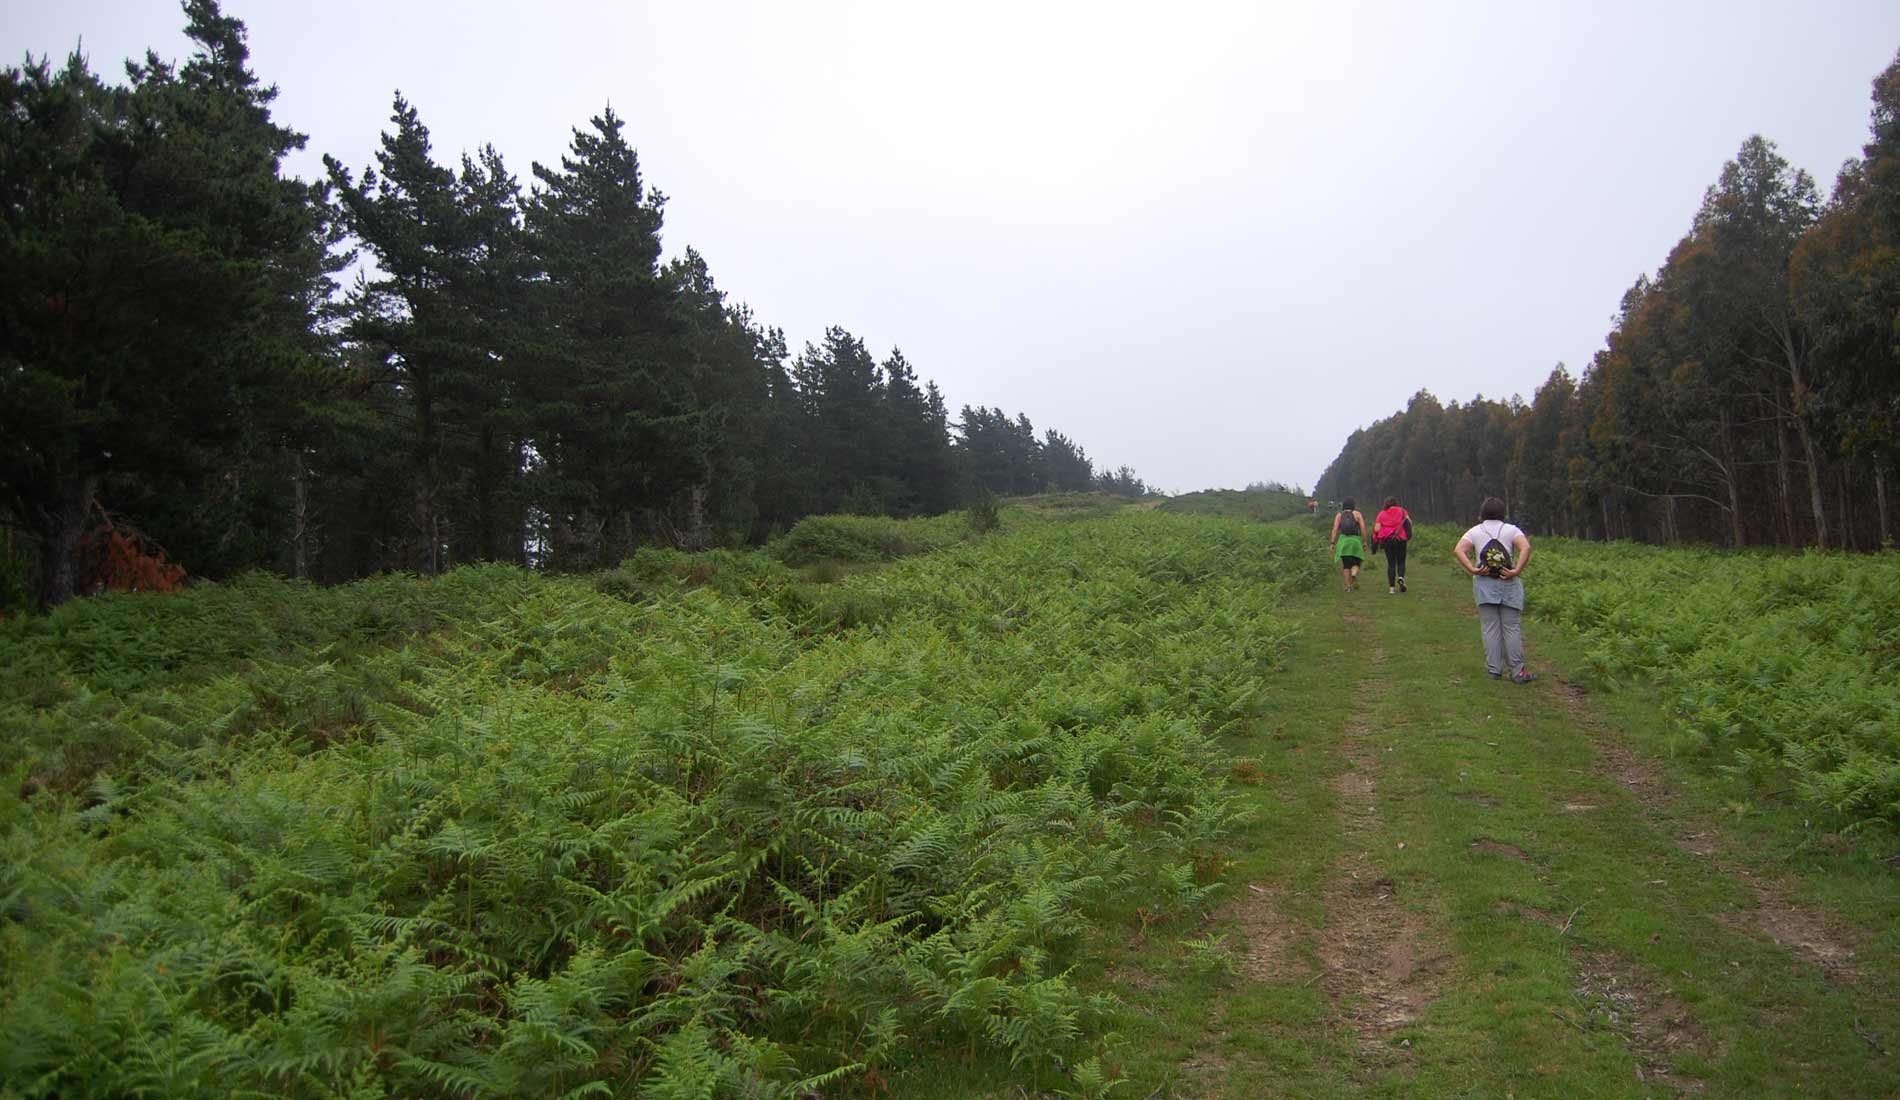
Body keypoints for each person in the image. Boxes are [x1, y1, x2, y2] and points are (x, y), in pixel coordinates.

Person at [1453, 497, 1535, 683]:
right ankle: (1517, 672)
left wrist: (1472, 569)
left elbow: (1459, 550)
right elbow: (1526, 547)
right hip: (1508, 582)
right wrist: (1516, 570)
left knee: (1490, 628)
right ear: (1502, 513)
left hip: (1484, 584)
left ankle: (1494, 670)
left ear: (1482, 513)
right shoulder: (1511, 529)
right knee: (1511, 627)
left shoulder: (1474, 531)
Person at [1372, 496, 1412, 594]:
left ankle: (1392, 588)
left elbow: (1377, 529)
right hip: (1401, 539)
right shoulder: (1402, 511)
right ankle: (1401, 577)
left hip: (1388, 541)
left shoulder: (1381, 514)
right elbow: (1409, 522)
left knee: (1391, 564)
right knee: (1401, 561)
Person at [1331, 497, 1369, 592]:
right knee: (1356, 562)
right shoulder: (1357, 514)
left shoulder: (1339, 515)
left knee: (1346, 565)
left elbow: (1335, 529)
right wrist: (1364, 542)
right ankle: (1354, 574)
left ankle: (1347, 587)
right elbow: (1363, 528)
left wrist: (1332, 543)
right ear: (1353, 505)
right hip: (1355, 541)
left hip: (1343, 541)